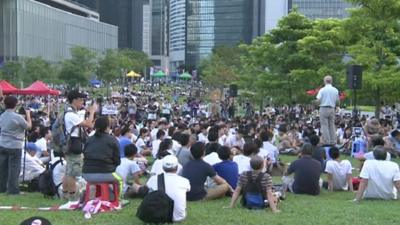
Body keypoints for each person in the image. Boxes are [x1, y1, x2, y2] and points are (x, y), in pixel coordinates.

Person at [61, 90, 96, 209]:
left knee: (68, 171)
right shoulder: (71, 114)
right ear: (75, 100)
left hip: (71, 144)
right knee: (73, 173)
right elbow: (89, 124)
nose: (82, 102)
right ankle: (73, 198)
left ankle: (65, 195)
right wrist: (92, 112)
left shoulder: (70, 112)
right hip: (74, 144)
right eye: (81, 100)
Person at [82, 116, 122, 196]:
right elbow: (117, 160)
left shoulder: (89, 139)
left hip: (86, 174)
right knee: (120, 180)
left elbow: (85, 155)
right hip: (106, 172)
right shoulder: (113, 140)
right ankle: (118, 200)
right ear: (107, 127)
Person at [0, 95, 32, 194]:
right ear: (15, 104)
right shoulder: (17, 117)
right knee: (14, 168)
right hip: (15, 145)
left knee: (3, 168)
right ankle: (13, 189)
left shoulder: (2, 115)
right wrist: (28, 115)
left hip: (3, 143)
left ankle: (2, 188)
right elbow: (29, 127)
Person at [146, 155, 191, 222]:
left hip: (157, 216)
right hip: (178, 218)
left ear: (163, 167)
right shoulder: (184, 181)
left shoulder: (153, 179)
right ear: (177, 167)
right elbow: (188, 190)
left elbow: (148, 188)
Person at [316, 75, 339, 146]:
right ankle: (333, 141)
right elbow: (337, 100)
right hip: (332, 108)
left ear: (324, 81)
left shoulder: (322, 90)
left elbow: (318, 100)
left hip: (323, 108)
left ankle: (327, 141)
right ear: (331, 81)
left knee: (324, 125)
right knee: (332, 125)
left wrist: (315, 103)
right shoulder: (335, 90)